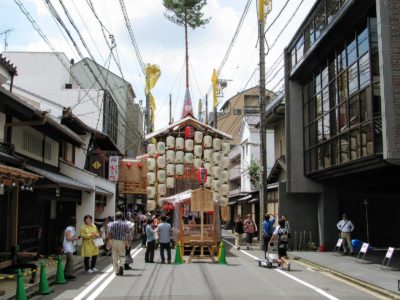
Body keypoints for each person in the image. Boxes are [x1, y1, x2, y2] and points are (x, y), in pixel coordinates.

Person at [108, 211, 130, 276]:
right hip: (122, 241)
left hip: (113, 241)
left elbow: (109, 234)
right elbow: (127, 233)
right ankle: (121, 265)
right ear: (122, 217)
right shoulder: (125, 224)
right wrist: (127, 243)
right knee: (122, 255)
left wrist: (109, 242)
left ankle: (116, 271)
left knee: (114, 256)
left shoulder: (112, 224)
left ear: (116, 217)